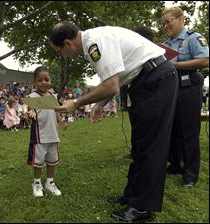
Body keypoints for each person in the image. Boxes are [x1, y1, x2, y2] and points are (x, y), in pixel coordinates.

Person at [49, 21, 178, 222]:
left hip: (155, 79)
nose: (63, 56)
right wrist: (100, 104)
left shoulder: (95, 44)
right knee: (139, 143)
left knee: (151, 145)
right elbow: (118, 78)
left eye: (60, 51)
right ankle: (132, 195)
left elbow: (110, 86)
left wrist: (76, 103)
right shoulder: (95, 40)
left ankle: (142, 207)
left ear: (67, 43)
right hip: (145, 80)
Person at [161, 7, 209, 187]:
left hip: (189, 87)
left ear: (181, 19)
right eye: (163, 24)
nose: (166, 26)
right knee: (172, 129)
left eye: (169, 22)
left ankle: (190, 174)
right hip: (171, 88)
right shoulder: (166, 43)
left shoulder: (193, 38)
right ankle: (176, 163)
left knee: (188, 131)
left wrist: (175, 65)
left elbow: (205, 60)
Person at [27, 66, 67, 197]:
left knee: (52, 160)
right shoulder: (32, 96)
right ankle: (37, 183)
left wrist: (61, 121)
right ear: (35, 82)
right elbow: (30, 110)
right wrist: (31, 112)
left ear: (50, 81)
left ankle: (50, 182)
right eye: (40, 80)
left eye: (46, 79)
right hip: (39, 136)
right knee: (38, 161)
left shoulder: (52, 96)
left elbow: (56, 111)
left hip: (53, 135)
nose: (44, 82)